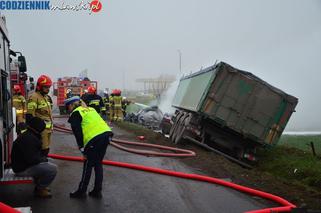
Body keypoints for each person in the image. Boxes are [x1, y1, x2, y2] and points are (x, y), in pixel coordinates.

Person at [65, 96, 113, 199]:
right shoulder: (91, 109)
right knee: (98, 163)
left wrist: (82, 148)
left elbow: (77, 133)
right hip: (106, 135)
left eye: (67, 107)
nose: (67, 110)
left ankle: (81, 191)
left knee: (88, 164)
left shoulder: (76, 113)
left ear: (71, 105)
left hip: (94, 139)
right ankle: (97, 191)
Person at [11, 117, 57, 198]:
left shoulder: (31, 135)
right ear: (38, 127)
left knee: (51, 161)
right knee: (52, 169)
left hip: (24, 165)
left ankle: (40, 185)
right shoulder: (29, 138)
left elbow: (34, 156)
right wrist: (44, 159)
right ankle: (40, 189)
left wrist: (44, 159)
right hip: (22, 169)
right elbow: (33, 159)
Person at [26, 75, 53, 157]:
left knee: (46, 150)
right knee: (42, 152)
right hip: (40, 131)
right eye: (46, 87)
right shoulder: (34, 97)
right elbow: (30, 116)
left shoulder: (47, 97)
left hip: (48, 130)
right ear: (39, 87)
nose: (48, 89)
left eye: (49, 87)